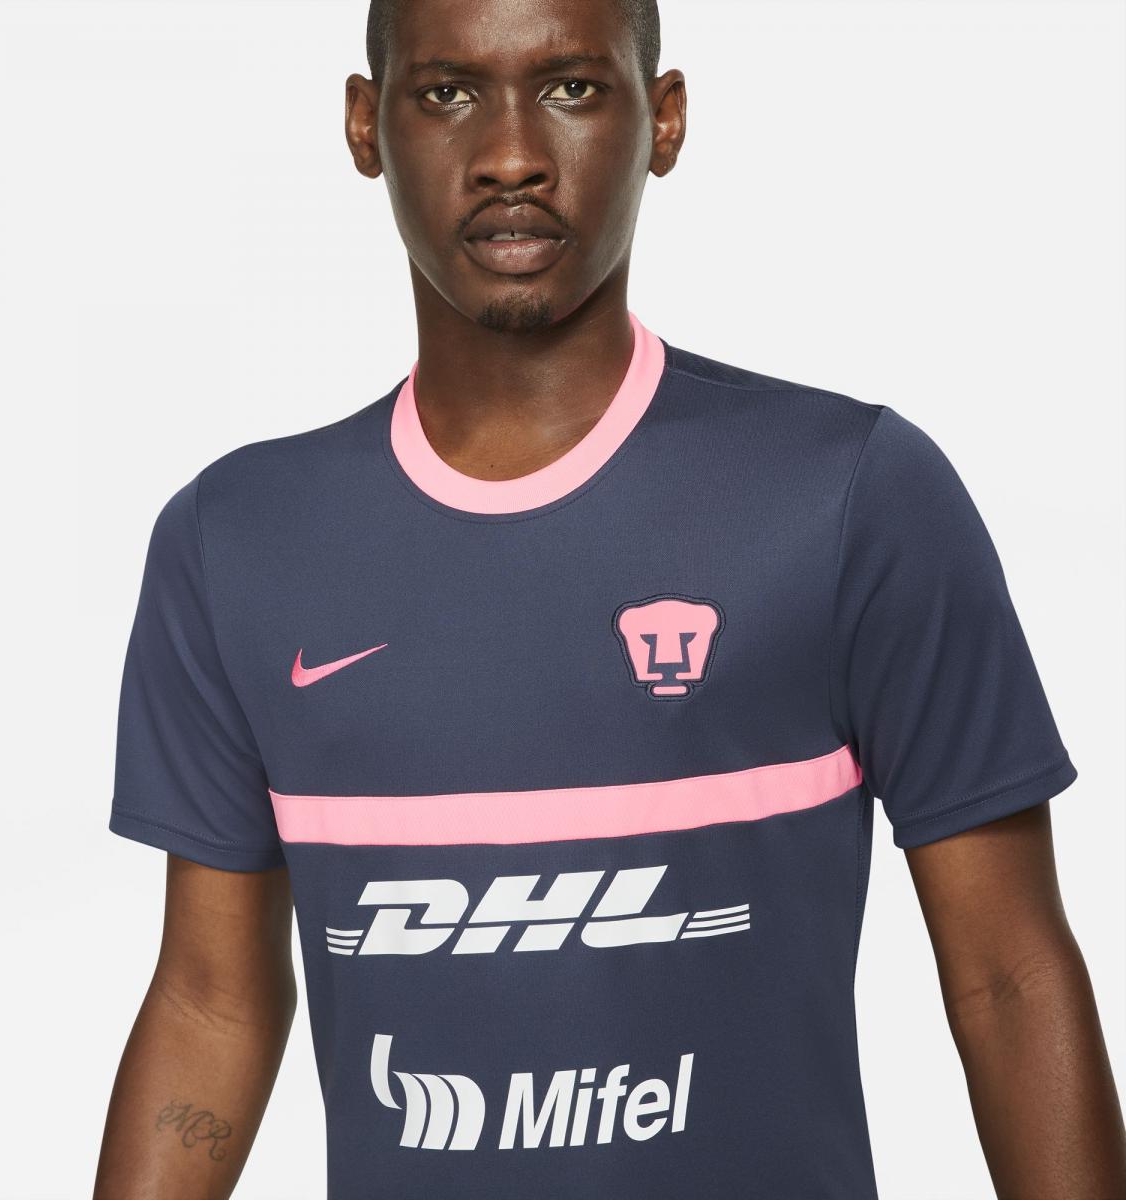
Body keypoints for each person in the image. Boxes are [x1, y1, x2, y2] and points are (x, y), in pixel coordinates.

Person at [94, 1, 1126, 1196]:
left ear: (664, 120)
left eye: (573, 88)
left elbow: (1009, 976)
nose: (511, 155)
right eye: (447, 93)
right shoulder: (237, 542)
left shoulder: (847, 495)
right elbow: (210, 1004)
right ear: (365, 125)